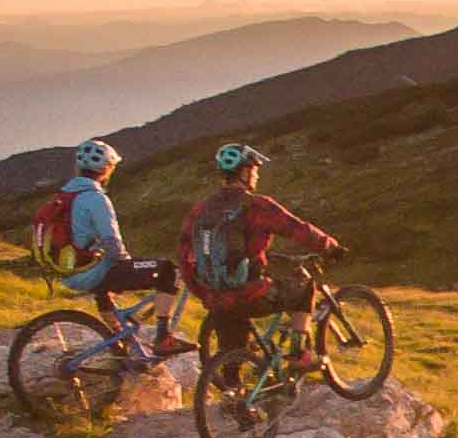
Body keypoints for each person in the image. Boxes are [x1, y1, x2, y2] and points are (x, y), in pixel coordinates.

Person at [178, 142, 345, 382]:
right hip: (251, 293)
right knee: (305, 288)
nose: (256, 174)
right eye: (254, 169)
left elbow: (184, 257)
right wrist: (330, 246)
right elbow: (297, 229)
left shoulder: (200, 210)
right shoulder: (256, 205)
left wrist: (204, 294)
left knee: (232, 356)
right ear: (245, 172)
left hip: (217, 297)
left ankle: (234, 402)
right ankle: (299, 353)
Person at [54, 138, 183, 348]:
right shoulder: (95, 198)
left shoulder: (65, 195)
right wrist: (126, 264)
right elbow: (111, 240)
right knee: (170, 270)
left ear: (78, 167)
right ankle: (163, 338)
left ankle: (118, 340)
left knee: (104, 288)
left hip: (69, 272)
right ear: (106, 169)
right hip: (91, 272)